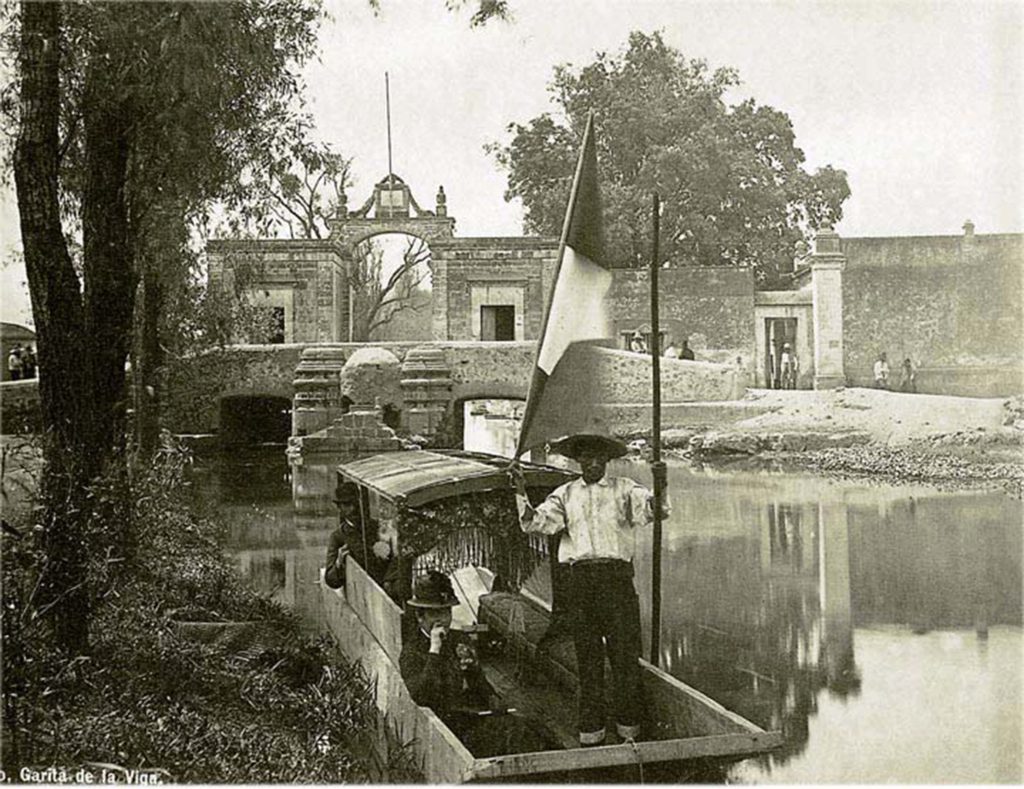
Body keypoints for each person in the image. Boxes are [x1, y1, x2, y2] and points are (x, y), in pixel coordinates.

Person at [510, 433, 669, 746]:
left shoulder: (625, 489)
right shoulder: (565, 495)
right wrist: (519, 491)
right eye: (587, 458)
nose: (594, 463)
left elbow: (655, 512)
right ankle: (591, 735)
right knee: (589, 660)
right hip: (581, 585)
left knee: (625, 658)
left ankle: (629, 732)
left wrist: (661, 485)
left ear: (607, 461)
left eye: (599, 458)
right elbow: (534, 523)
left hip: (618, 581)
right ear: (578, 460)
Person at [400, 571, 553, 757]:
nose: (442, 619)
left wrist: (492, 698)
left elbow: (478, 681)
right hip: (450, 728)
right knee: (514, 735)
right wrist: (435, 649)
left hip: (475, 715)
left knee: (535, 728)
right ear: (420, 616)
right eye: (434, 613)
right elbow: (422, 696)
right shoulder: (411, 652)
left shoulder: (459, 638)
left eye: (446, 611)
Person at [324, 481, 392, 591]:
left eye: (354, 504)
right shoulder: (338, 536)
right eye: (346, 505)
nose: (353, 509)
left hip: (384, 588)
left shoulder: (376, 528)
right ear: (340, 508)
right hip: (361, 590)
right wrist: (339, 562)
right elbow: (331, 580)